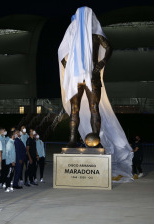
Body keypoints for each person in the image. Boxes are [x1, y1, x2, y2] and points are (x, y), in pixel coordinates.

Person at [58, 6, 133, 181]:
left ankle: (96, 139)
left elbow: (109, 48)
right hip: (77, 77)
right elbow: (61, 52)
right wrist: (67, 68)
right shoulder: (73, 36)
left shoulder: (95, 37)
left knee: (94, 108)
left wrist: (101, 63)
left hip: (92, 76)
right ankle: (72, 140)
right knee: (75, 109)